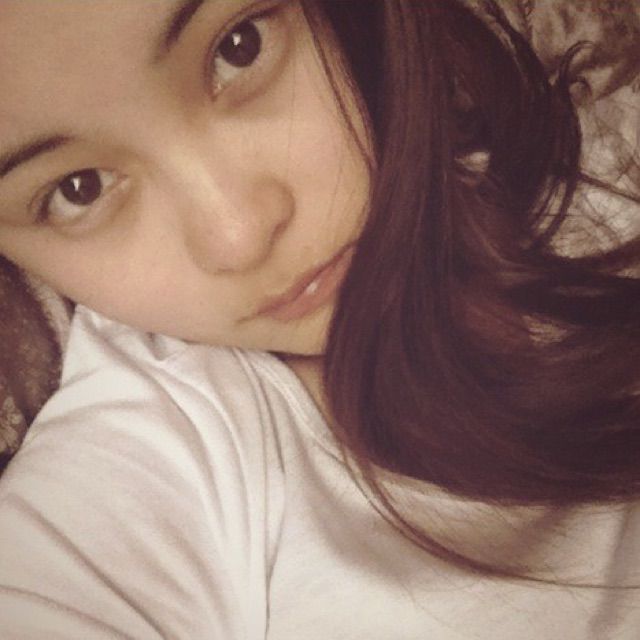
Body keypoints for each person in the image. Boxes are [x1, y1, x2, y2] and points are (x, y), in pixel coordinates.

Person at [0, 0, 639, 637]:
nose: (239, 235)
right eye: (79, 189)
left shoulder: (600, 165)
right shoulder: (148, 452)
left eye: (239, 47)